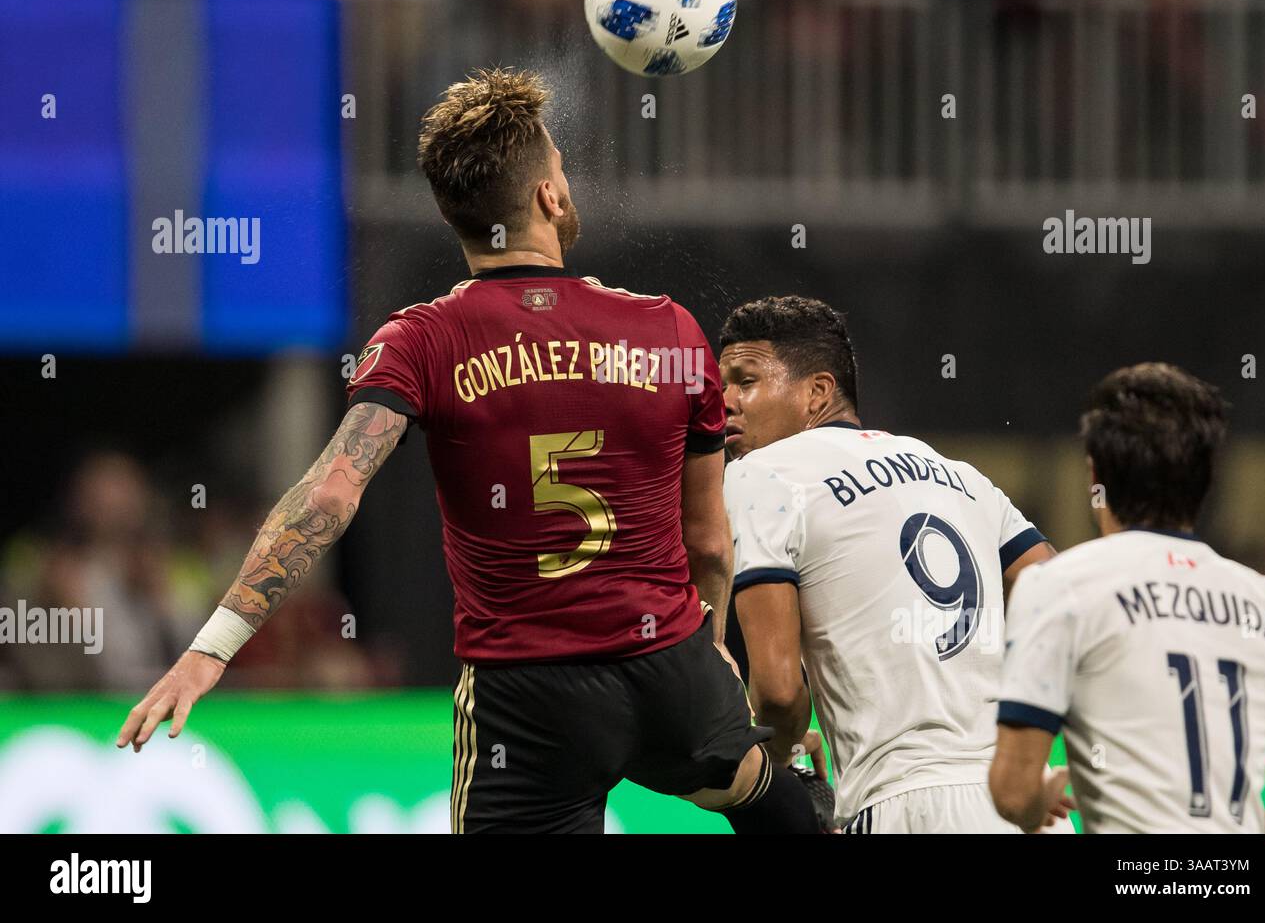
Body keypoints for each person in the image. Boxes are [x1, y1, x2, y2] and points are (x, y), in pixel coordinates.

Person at [117, 68, 818, 835]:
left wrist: (210, 650)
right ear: (549, 197)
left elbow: (327, 497)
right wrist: (709, 655)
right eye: (559, 170)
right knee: (758, 788)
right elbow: (709, 540)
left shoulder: (420, 341)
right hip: (668, 667)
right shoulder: (669, 330)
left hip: (532, 696)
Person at [719, 295, 1065, 833]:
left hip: (905, 803)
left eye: (745, 381)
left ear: (817, 392)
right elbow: (1062, 601)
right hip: (1023, 802)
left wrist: (781, 760)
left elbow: (780, 692)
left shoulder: (760, 473)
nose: (725, 402)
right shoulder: (961, 474)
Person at [990, 362, 1265, 833]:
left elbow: (1013, 793)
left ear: (1095, 475)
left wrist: (1041, 802)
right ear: (1205, 480)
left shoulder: (1060, 586)